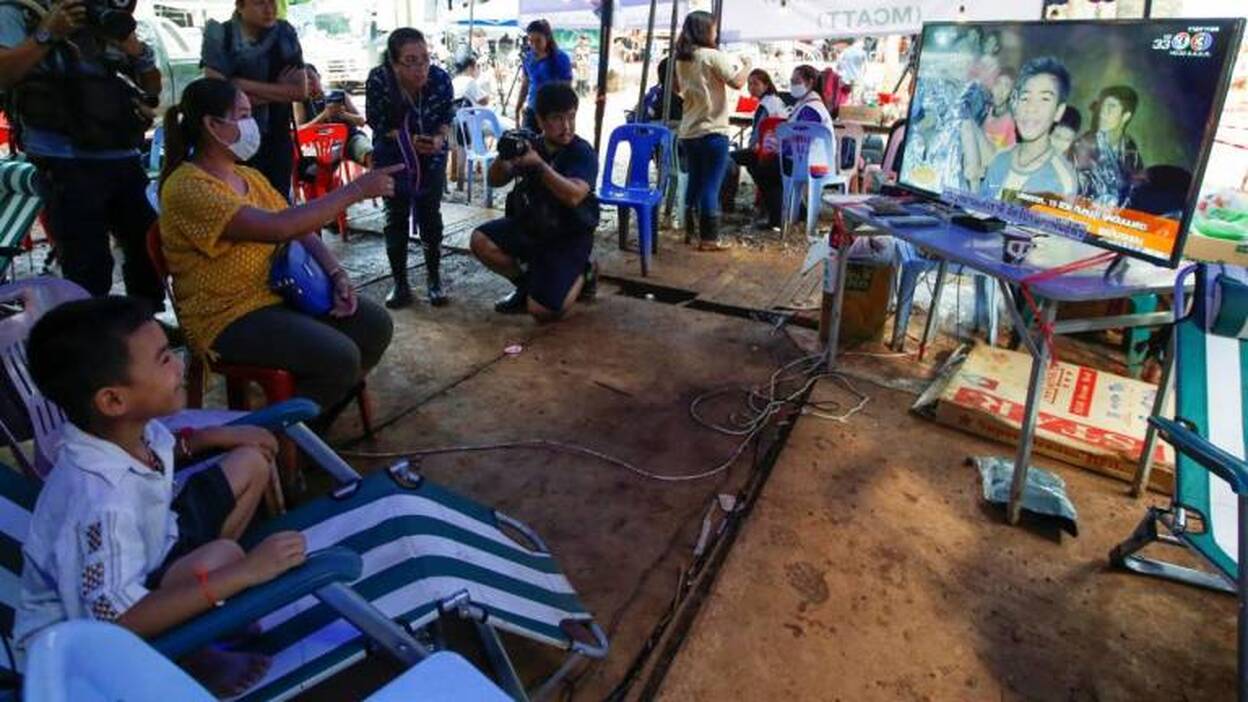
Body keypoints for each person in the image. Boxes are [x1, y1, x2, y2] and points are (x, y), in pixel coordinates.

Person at [14, 296, 307, 696]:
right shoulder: (101, 503)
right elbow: (114, 623)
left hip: (152, 545)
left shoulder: (126, 431)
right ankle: (190, 654)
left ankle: (202, 605)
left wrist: (217, 435)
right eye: (164, 359)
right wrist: (244, 574)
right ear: (113, 399)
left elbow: (166, 449)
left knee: (250, 463)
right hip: (86, 644)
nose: (180, 365)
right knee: (224, 558)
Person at [159, 78, 397, 422]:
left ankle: (311, 422)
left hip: (280, 292)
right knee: (339, 357)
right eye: (242, 115)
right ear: (212, 125)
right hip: (227, 314)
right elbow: (279, 229)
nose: (251, 123)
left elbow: (298, 227)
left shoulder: (247, 176)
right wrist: (355, 189)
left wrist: (336, 274)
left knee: (374, 326)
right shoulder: (187, 187)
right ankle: (271, 441)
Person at [0, 0, 165, 307]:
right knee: (87, 261)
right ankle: (90, 339)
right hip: (64, 157)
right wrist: (46, 34)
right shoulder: (18, 11)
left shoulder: (103, 13)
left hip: (122, 152)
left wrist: (136, 53)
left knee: (148, 247)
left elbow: (152, 87)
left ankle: (144, 325)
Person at [470, 83, 599, 322]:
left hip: (569, 237)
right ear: (540, 121)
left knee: (542, 311)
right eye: (557, 119)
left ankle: (583, 274)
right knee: (480, 241)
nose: (567, 126)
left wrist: (539, 165)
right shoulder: (531, 145)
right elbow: (495, 180)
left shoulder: (581, 153)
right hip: (534, 226)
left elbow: (574, 195)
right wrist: (505, 155)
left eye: (571, 117)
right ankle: (527, 286)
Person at [365, 28, 455, 309]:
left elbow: (446, 118)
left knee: (430, 212)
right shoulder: (379, 80)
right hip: (393, 153)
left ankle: (434, 279)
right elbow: (377, 122)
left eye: (425, 58)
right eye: (411, 60)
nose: (420, 68)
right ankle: (400, 283)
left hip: (432, 156)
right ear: (394, 63)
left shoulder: (440, 79)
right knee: (395, 215)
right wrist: (408, 141)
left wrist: (439, 139)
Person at [201, 0, 314, 199]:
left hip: (276, 139)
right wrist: (278, 90)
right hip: (232, 142)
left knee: (276, 204)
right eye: (260, 3)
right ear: (240, 5)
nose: (269, 9)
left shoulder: (284, 34)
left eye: (273, 2)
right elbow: (218, 97)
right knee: (240, 206)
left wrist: (240, 85)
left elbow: (299, 91)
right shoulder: (220, 35)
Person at [674, 10, 750, 250]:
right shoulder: (712, 55)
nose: (716, 32)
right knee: (711, 184)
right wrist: (747, 66)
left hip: (689, 130)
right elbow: (737, 82)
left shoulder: (682, 58)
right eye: (714, 28)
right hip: (712, 130)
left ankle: (689, 231)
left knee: (695, 180)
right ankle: (709, 239)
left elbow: (677, 89)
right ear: (705, 30)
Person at [978, 56, 1077, 200]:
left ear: (1058, 112)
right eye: (1025, 98)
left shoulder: (1061, 181)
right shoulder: (1000, 160)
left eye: (1044, 99)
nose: (1030, 108)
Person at [747, 64, 832, 229]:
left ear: (810, 82)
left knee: (763, 168)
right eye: (791, 81)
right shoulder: (807, 104)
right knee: (761, 163)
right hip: (806, 159)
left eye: (796, 81)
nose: (793, 85)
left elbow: (799, 139)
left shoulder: (811, 108)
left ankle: (779, 217)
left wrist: (777, 150)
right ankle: (793, 211)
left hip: (809, 162)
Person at [1074, 85, 1144, 207]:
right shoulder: (1083, 145)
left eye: (1111, 107)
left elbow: (1136, 192)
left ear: (1125, 116)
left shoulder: (1131, 152)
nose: (1102, 113)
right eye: (1102, 107)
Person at [293, 64, 373, 170]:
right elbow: (299, 130)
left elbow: (361, 121)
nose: (309, 82)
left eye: (311, 77)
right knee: (310, 165)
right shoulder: (300, 102)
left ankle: (374, 180)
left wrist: (343, 115)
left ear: (319, 76)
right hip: (316, 145)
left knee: (369, 153)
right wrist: (323, 116)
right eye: (304, 80)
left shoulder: (339, 95)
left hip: (349, 139)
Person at [514, 19, 571, 132]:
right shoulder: (528, 58)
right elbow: (525, 84)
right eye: (531, 41)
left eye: (538, 41)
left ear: (548, 38)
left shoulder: (561, 58)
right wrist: (518, 106)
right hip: (532, 110)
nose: (534, 45)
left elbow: (567, 88)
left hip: (553, 113)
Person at [981, 69, 1016, 152]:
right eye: (998, 83)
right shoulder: (983, 112)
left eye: (1006, 86)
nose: (1000, 91)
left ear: (1011, 93)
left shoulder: (1011, 123)